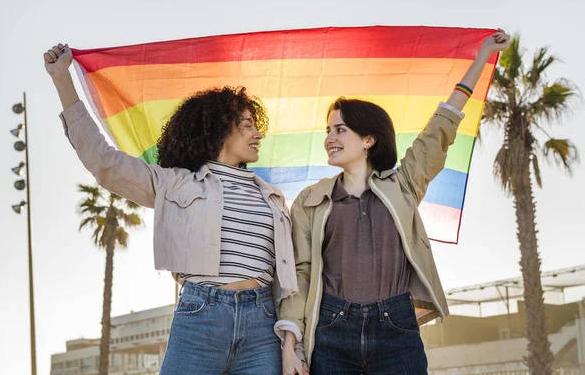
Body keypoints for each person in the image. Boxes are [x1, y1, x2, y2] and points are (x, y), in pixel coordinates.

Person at [43, 44, 299, 375]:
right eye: (248, 125)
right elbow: (104, 162)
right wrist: (61, 78)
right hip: (201, 316)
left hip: (262, 323)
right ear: (221, 129)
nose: (258, 133)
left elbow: (293, 277)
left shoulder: (272, 198)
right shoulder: (175, 183)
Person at [276, 29, 511, 375]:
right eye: (328, 131)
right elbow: (301, 273)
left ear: (369, 139)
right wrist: (290, 346)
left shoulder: (404, 184)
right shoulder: (310, 201)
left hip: (396, 329)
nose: (329, 139)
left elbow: (441, 127)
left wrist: (482, 57)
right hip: (331, 330)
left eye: (340, 130)